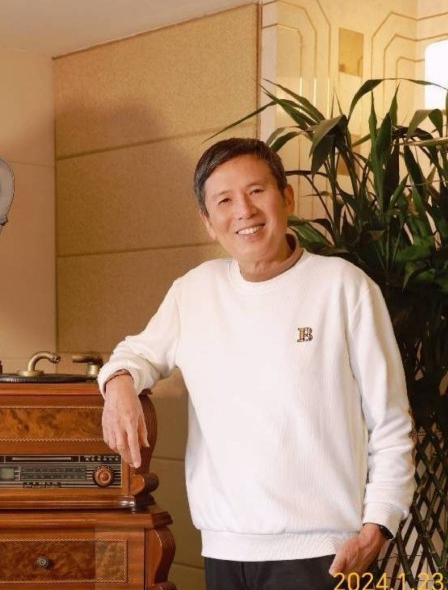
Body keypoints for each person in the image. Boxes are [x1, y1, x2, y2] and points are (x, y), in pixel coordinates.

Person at [98, 138, 415, 590]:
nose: (244, 211)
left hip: (325, 554)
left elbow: (391, 422)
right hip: (224, 550)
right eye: (224, 200)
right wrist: (119, 384)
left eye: (256, 191)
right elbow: (136, 353)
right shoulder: (194, 291)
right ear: (208, 222)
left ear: (287, 198)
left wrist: (378, 527)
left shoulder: (345, 288)